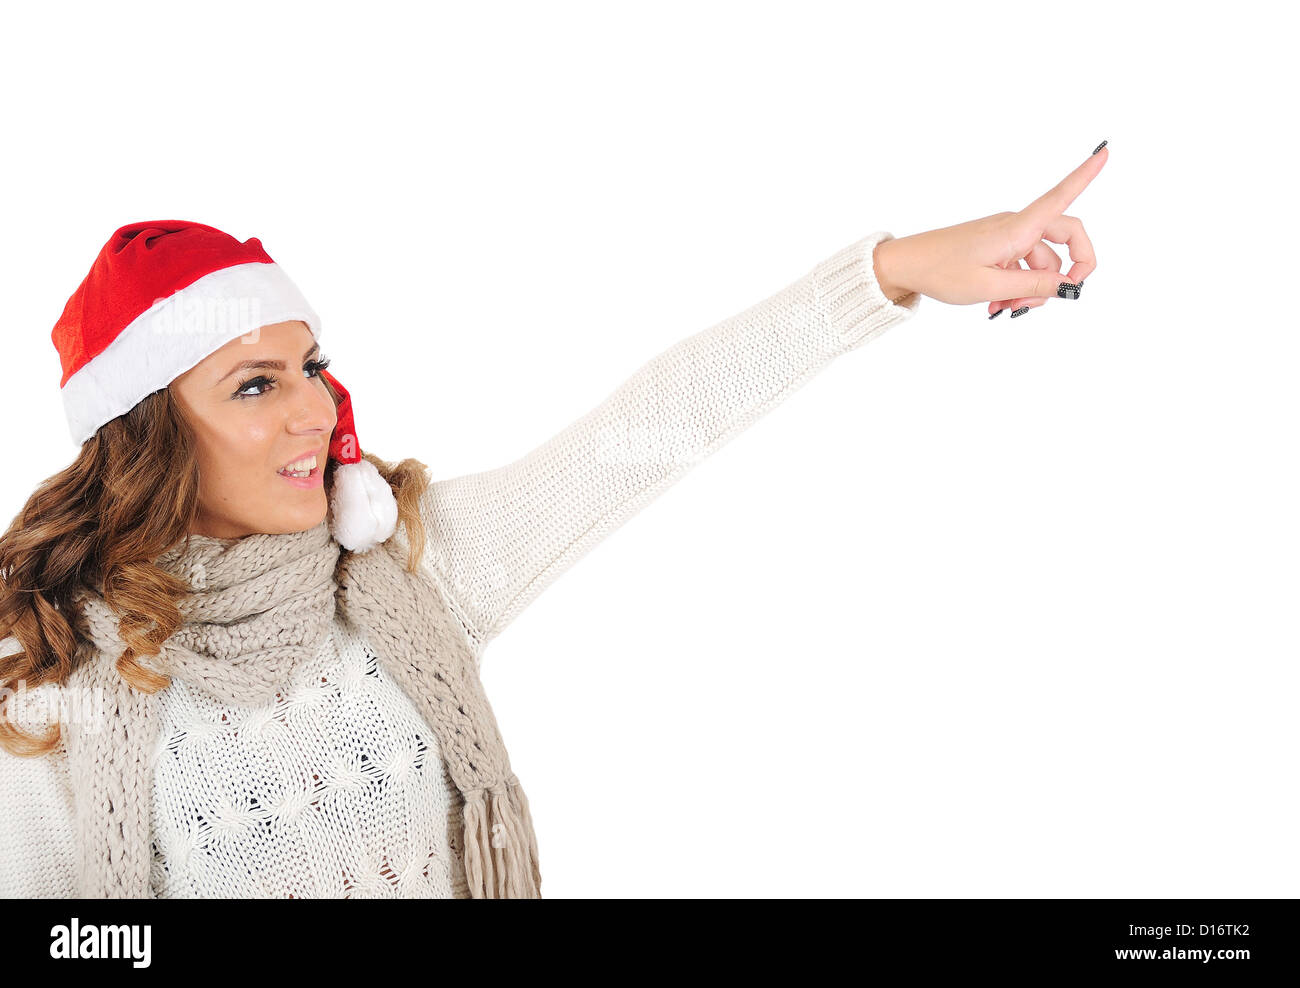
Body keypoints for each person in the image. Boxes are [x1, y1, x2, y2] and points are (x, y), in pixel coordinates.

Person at [0, 143, 1108, 899]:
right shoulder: (53, 672)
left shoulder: (400, 574)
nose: (315, 407)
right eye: (255, 384)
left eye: (313, 366)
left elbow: (650, 430)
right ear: (146, 437)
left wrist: (892, 272)